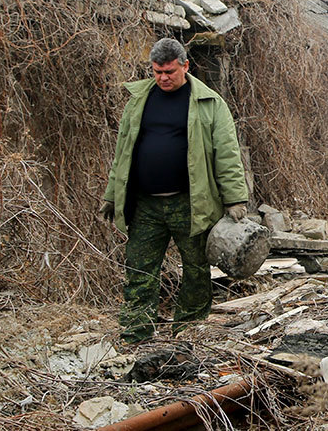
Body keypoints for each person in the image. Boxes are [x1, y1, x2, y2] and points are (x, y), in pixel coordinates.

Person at [99, 38, 249, 344]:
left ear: (185, 66)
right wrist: (112, 195)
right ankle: (136, 333)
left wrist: (235, 198)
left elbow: (227, 154)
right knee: (139, 269)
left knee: (196, 269)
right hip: (145, 205)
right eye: (157, 72)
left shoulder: (209, 103)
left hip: (191, 204)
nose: (163, 78)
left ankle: (188, 331)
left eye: (169, 71)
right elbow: (123, 153)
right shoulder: (139, 101)